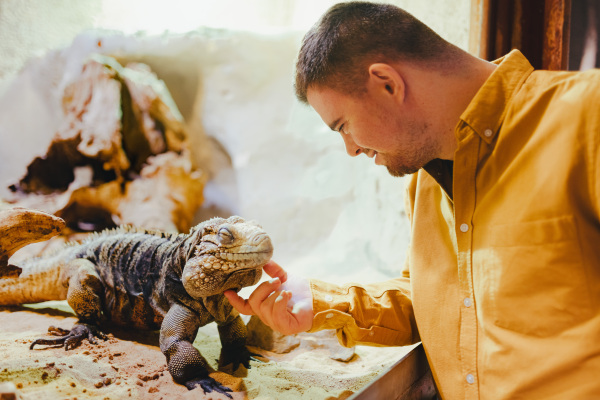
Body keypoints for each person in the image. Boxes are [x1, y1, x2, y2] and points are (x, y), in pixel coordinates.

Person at [224, 2, 600, 399]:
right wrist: (320, 302)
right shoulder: (425, 181)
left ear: (387, 82)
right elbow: (440, 301)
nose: (350, 149)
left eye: (344, 126)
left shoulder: (584, 116)